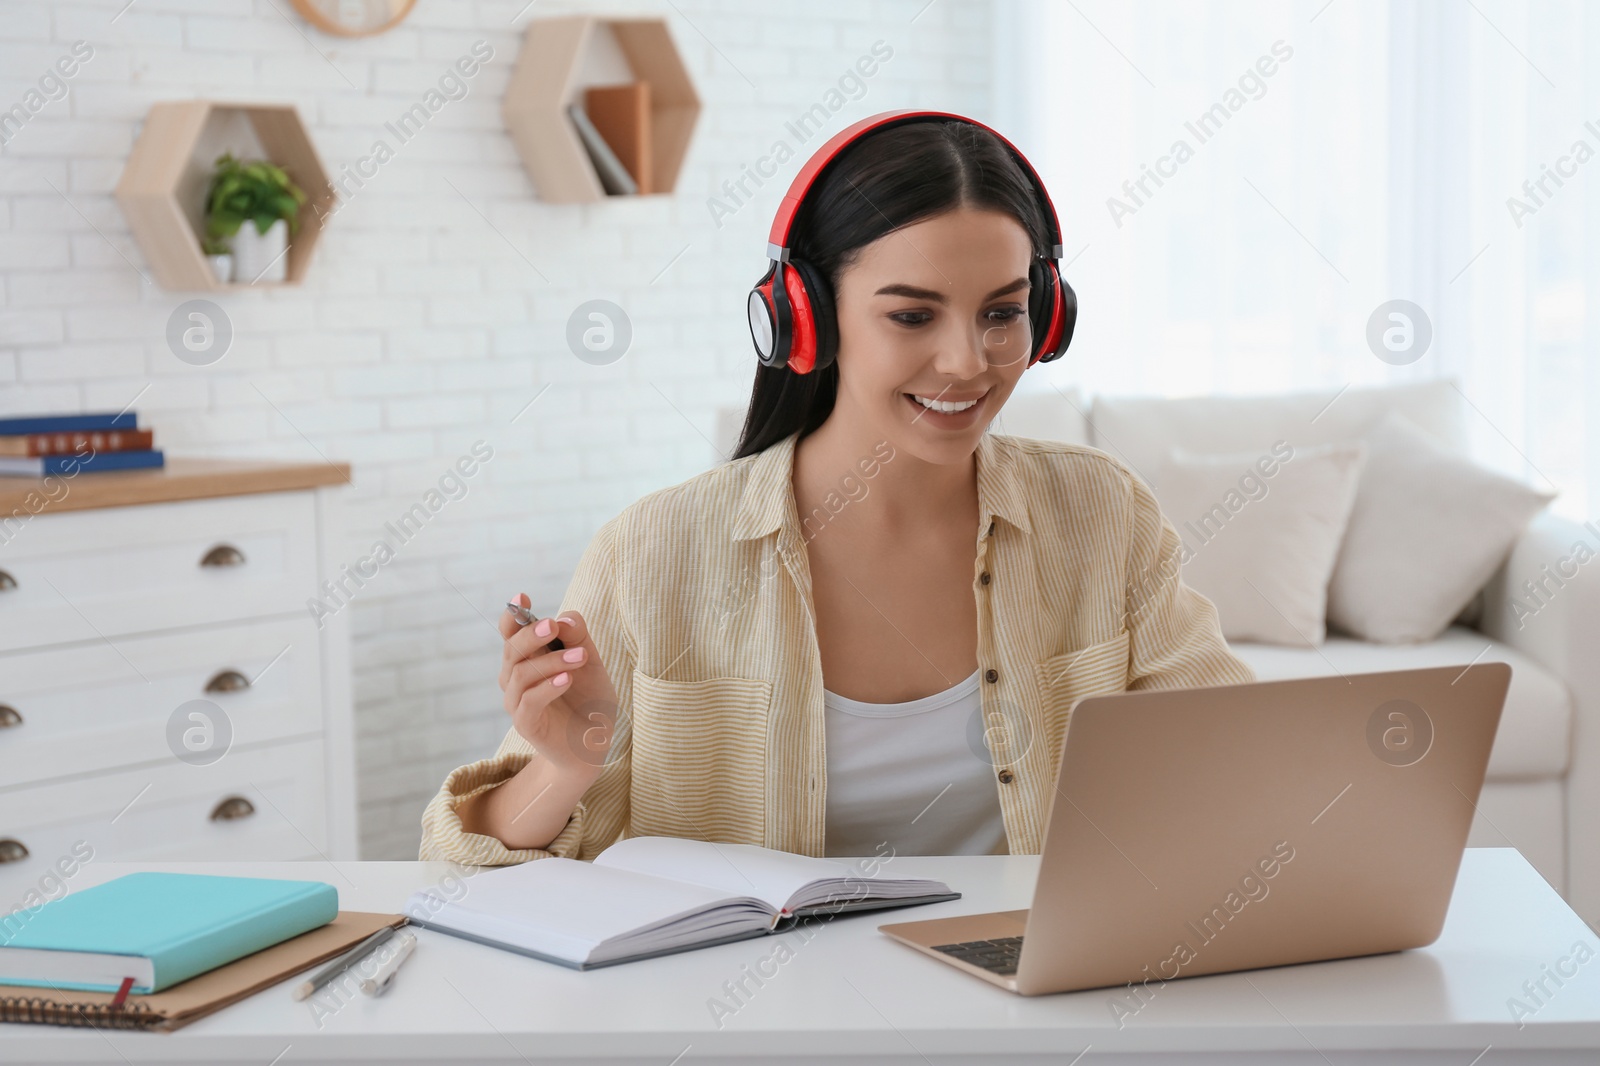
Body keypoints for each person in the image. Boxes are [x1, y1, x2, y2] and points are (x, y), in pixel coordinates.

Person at [419, 112, 1255, 866]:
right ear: (805, 318)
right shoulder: (655, 551)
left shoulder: (1101, 512)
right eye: (913, 316)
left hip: (1027, 1007)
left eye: (1002, 313)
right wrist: (569, 763)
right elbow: (460, 869)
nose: (969, 361)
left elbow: (1238, 764)